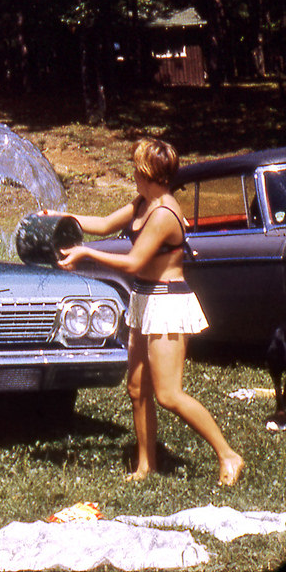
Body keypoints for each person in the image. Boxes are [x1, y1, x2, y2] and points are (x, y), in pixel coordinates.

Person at [55, 137, 244, 486]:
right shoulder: (144, 202)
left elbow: (133, 261)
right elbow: (104, 223)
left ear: (152, 175)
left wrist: (85, 254)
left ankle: (228, 454)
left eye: (137, 170)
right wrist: (61, 218)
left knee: (168, 394)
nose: (133, 176)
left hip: (168, 302)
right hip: (145, 298)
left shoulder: (162, 213)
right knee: (137, 387)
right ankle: (146, 465)